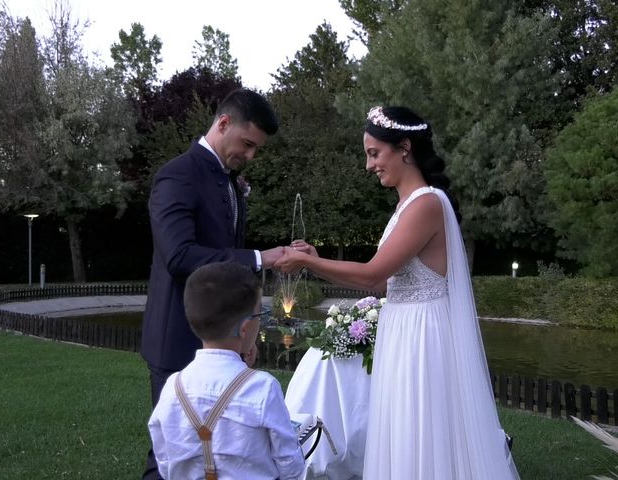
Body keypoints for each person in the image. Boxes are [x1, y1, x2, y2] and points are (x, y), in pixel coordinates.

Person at [277, 106, 520, 479]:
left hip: (423, 334)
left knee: (423, 427)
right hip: (402, 328)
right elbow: (379, 283)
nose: (368, 165)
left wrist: (309, 263)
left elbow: (372, 273)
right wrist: (317, 257)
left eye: (374, 153)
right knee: (403, 425)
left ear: (404, 147)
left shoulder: (426, 203)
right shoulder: (404, 208)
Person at [141, 87, 285, 479]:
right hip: (178, 338)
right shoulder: (177, 175)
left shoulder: (230, 181)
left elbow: (225, 263)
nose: (251, 156)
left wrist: (246, 337)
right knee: (169, 457)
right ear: (223, 123)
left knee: (222, 454)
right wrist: (259, 258)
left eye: (257, 148)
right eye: (248, 144)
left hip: (225, 341)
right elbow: (179, 256)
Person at [148, 261, 306, 479]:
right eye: (259, 316)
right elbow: (290, 464)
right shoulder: (263, 387)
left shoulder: (173, 386)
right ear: (244, 328)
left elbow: (164, 462)